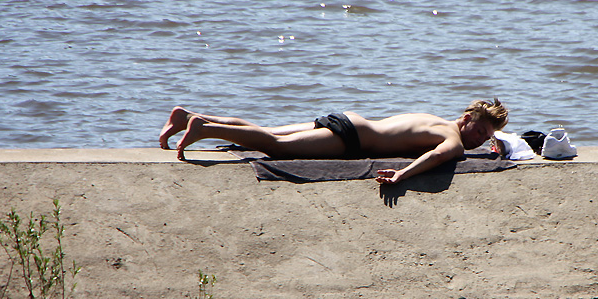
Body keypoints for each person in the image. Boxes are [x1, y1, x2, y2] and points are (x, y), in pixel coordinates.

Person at [159, 99, 509, 185]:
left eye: (486, 137)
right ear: (466, 119)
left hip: (349, 120)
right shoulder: (454, 139)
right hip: (350, 139)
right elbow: (436, 157)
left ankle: (187, 116)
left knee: (273, 132)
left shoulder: (436, 119)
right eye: (479, 130)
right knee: (275, 146)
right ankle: (203, 127)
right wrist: (402, 176)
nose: (479, 139)